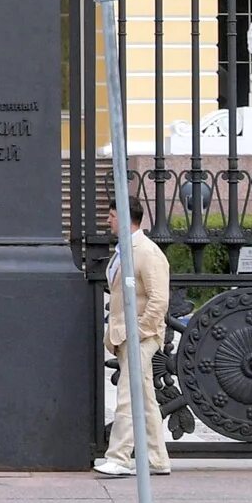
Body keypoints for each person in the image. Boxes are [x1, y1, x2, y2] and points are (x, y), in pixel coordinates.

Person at [93, 196, 172, 479]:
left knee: (127, 396)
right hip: (128, 335)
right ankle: (158, 459)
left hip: (140, 336)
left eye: (112, 215)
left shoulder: (146, 252)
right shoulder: (126, 250)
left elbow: (159, 299)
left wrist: (138, 331)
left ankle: (119, 457)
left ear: (125, 218)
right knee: (145, 398)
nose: (108, 220)